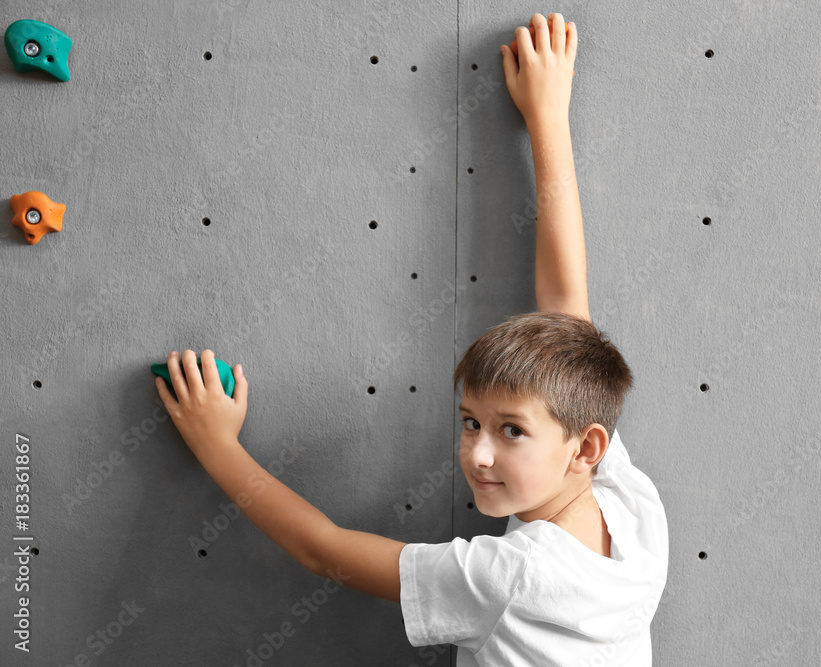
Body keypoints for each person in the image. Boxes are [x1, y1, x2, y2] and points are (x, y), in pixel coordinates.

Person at [154, 12, 668, 666]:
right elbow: (567, 308)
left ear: (581, 445)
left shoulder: (509, 575)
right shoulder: (631, 507)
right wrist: (547, 114)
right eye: (469, 422)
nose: (478, 454)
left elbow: (324, 549)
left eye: (511, 430)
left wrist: (216, 444)